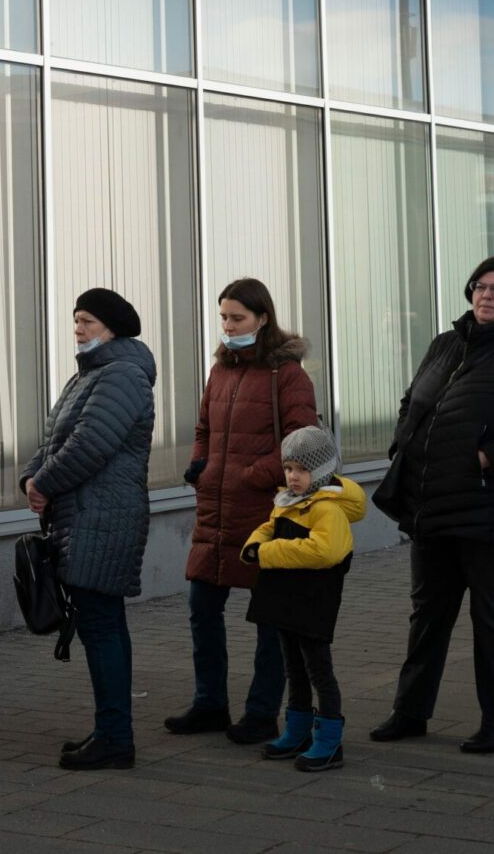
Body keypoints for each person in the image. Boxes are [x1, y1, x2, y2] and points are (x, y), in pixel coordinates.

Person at [369, 255, 494, 756]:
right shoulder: (446, 344)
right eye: (480, 286)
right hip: (433, 506)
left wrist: (487, 457)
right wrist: (403, 443)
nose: (487, 295)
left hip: (493, 512)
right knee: (427, 615)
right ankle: (410, 712)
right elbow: (412, 399)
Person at [169, 277, 318, 748]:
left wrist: (253, 475)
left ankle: (260, 714)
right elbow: (203, 426)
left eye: (238, 318)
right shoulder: (222, 370)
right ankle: (210, 703)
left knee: (269, 620)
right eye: (224, 317)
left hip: (263, 511)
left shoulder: (287, 374)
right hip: (215, 509)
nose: (228, 326)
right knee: (202, 608)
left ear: (263, 319)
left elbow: (303, 443)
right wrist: (202, 464)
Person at [21, 289, 156, 772]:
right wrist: (30, 479)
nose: (77, 329)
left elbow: (89, 446)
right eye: (76, 320)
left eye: (87, 322)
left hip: (105, 518)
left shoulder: (122, 376)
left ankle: (116, 739)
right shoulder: (89, 376)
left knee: (101, 628)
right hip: (85, 516)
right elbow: (54, 437)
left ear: (112, 328)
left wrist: (44, 482)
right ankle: (110, 730)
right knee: (103, 626)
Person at [246, 425, 365, 773]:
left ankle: (329, 739)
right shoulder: (289, 501)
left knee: (318, 670)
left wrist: (268, 552)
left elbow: (325, 551)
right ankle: (297, 730)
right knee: (292, 667)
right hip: (286, 598)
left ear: (322, 470)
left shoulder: (327, 508)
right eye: (288, 469)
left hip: (313, 600)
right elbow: (270, 525)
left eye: (301, 469)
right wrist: (254, 544)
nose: (292, 476)